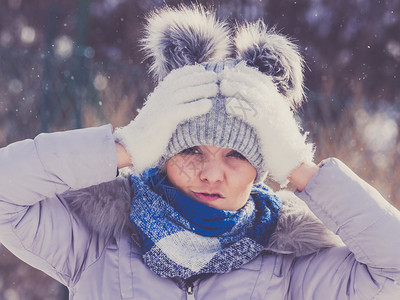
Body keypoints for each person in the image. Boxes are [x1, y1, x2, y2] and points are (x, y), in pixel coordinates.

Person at [1, 4, 399, 300]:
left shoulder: (292, 269)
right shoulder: (96, 242)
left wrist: (300, 168)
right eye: (192, 149)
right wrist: (124, 147)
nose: (211, 173)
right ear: (160, 149)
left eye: (236, 156)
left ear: (263, 166)